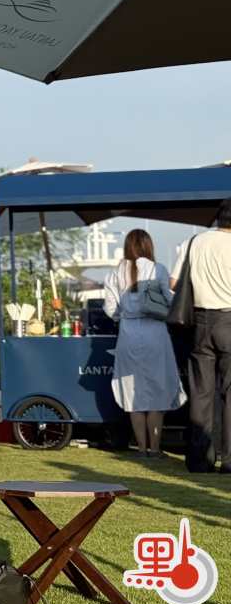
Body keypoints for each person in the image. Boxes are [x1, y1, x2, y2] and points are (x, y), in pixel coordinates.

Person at [102, 229, 184, 458]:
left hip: (128, 334)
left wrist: (124, 314)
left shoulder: (115, 273)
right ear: (149, 246)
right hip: (155, 332)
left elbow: (110, 309)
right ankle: (155, 449)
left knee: (132, 395)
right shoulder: (158, 269)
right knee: (157, 390)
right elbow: (169, 300)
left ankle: (140, 448)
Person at [172, 197, 231, 473]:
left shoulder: (195, 242)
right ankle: (229, 459)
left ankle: (199, 459)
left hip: (199, 321)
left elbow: (174, 282)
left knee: (201, 392)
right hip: (229, 318)